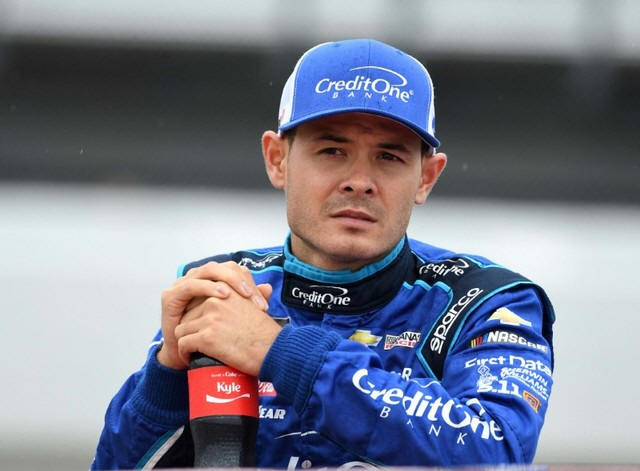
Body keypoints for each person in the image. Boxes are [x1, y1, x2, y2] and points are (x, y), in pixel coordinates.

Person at [92, 39, 555, 469]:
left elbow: (496, 453)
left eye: (389, 157)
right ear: (277, 159)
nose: (359, 181)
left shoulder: (488, 302)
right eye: (332, 150)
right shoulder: (226, 292)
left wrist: (279, 351)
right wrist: (167, 375)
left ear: (426, 177)